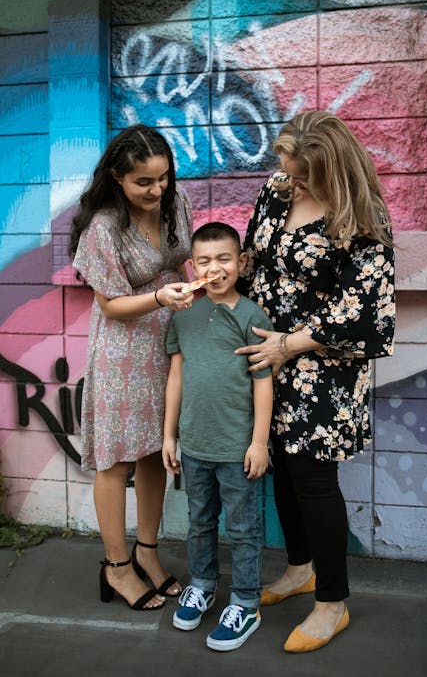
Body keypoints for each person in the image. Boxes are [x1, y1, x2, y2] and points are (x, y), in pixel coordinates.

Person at [235, 109, 395, 652]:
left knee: (313, 478)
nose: (289, 180)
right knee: (280, 463)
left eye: (301, 174)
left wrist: (291, 343)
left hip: (322, 365)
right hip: (269, 354)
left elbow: (366, 308)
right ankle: (299, 568)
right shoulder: (278, 189)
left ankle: (332, 604)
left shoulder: (362, 212)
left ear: (330, 169)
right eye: (286, 168)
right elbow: (255, 258)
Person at [69, 124, 195, 611]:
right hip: (123, 352)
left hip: (170, 342)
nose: (157, 189)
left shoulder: (175, 204)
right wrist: (161, 296)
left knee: (152, 453)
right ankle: (117, 567)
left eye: (163, 178)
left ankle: (147, 553)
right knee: (117, 458)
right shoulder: (103, 227)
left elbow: (181, 264)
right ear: (118, 177)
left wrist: (196, 294)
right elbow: (111, 305)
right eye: (144, 181)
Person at [162, 222, 274, 651]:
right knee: (200, 523)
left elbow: (264, 382)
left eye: (224, 259)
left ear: (241, 263)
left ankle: (246, 602)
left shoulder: (251, 315)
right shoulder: (184, 312)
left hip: (236, 448)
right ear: (193, 266)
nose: (215, 268)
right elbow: (176, 375)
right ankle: (203, 584)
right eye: (205, 260)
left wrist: (259, 442)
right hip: (194, 445)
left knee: (244, 528)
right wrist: (169, 435)